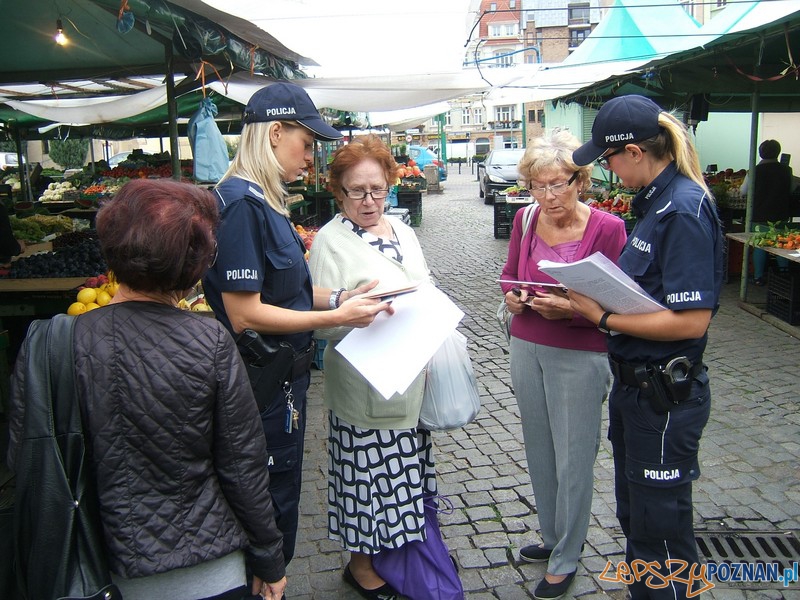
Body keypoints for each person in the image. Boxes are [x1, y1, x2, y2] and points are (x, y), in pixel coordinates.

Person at [7, 179, 287, 600]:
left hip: (91, 568)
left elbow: (23, 454)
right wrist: (269, 556)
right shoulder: (209, 342)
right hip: (204, 568)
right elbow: (242, 468)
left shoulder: (52, 343)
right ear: (195, 266)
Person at [202, 83, 393, 566]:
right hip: (262, 386)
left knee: (281, 493)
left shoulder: (265, 203)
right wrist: (336, 316)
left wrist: (344, 296)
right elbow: (245, 313)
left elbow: (285, 292)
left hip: (283, 378)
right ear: (274, 132)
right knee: (269, 499)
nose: (311, 155)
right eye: (305, 143)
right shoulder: (241, 206)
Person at [569, 94, 723, 600]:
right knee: (638, 517)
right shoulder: (657, 202)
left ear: (633, 151)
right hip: (637, 392)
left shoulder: (682, 209)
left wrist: (604, 316)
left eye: (607, 158)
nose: (606, 168)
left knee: (659, 530)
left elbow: (691, 321)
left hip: (664, 397)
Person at [498, 130, 627, 600]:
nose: (548, 196)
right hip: (527, 345)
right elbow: (508, 275)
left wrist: (571, 309)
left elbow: (618, 302)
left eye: (559, 184)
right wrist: (513, 298)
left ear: (580, 180)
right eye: (537, 185)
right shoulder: (525, 220)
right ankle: (551, 536)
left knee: (574, 457)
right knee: (539, 448)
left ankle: (567, 555)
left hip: (581, 352)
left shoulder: (608, 228)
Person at [308, 134, 436, 600]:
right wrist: (351, 310)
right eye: (356, 191)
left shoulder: (403, 230)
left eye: (377, 189)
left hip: (409, 376)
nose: (368, 201)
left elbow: (424, 287)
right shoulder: (329, 240)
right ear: (337, 191)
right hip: (364, 381)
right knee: (365, 476)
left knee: (403, 472)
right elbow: (320, 323)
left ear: (391, 185)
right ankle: (360, 566)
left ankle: (397, 554)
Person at [739, 139, 794, 285]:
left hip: (759, 214)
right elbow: (791, 189)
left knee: (760, 245)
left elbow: (743, 191)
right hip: (780, 213)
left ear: (760, 153)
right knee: (781, 244)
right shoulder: (786, 170)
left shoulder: (754, 170)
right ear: (778, 151)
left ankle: (758, 277)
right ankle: (783, 276)